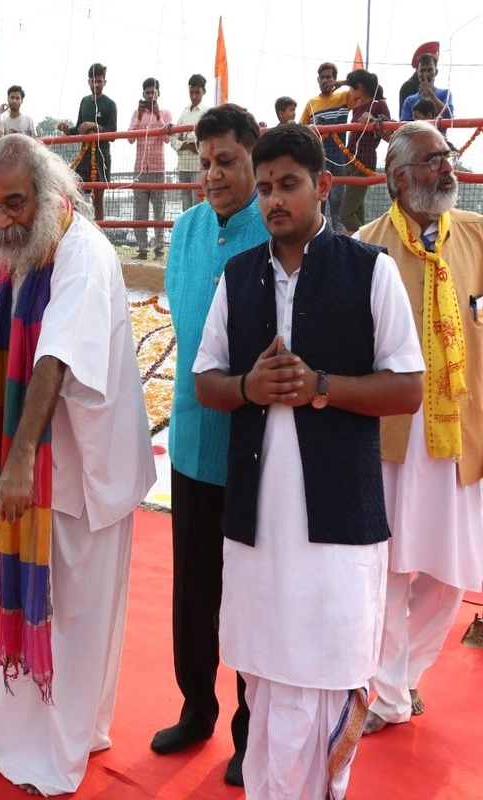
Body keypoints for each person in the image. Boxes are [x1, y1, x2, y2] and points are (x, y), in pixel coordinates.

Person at [192, 123, 424, 799]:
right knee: (264, 681)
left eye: (287, 184)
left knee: (327, 679)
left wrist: (323, 387)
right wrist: (248, 389)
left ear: (323, 186)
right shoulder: (238, 277)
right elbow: (206, 380)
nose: (272, 200)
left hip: (338, 527)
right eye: (264, 187)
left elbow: (408, 388)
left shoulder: (369, 271)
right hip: (259, 530)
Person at [0, 134, 156, 796]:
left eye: (15, 203)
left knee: (75, 617)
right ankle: (16, 728)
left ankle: (56, 753)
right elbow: (0, 335)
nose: (3, 220)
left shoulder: (81, 255)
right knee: (49, 604)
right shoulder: (20, 256)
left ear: (48, 197)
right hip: (54, 468)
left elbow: (53, 360)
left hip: (86, 472)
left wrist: (16, 463)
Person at [357, 121, 483, 735]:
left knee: (448, 573)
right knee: (388, 569)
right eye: (435, 160)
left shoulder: (480, 237)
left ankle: (406, 676)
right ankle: (384, 693)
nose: (448, 167)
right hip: (392, 441)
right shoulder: (366, 245)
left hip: (460, 435)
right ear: (398, 178)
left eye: (448, 156)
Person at [154, 103, 267, 787]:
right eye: (204, 163)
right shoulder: (186, 230)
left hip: (256, 448)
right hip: (194, 441)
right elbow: (184, 322)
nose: (213, 174)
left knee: (250, 596)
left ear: (253, 159)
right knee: (193, 590)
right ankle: (197, 706)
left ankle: (251, 731)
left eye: (226, 161)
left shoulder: (275, 227)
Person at [58, 63, 116, 220]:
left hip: (101, 156)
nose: (96, 84)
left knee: (98, 201)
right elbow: (78, 129)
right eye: (93, 81)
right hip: (84, 155)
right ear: (88, 81)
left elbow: (113, 134)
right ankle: (76, 230)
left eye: (99, 81)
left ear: (105, 82)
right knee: (73, 192)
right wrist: (67, 130)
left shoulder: (110, 104)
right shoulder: (84, 102)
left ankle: (101, 234)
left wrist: (95, 126)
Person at [299, 62, 350, 232]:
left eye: (329, 77)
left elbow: (366, 86)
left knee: (337, 210)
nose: (325, 80)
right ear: (318, 80)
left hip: (338, 162)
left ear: (334, 79)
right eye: (323, 77)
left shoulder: (344, 97)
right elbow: (300, 129)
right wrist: (314, 128)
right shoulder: (312, 103)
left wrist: (341, 83)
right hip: (316, 162)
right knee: (317, 208)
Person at [340, 70, 389, 234]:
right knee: (356, 211)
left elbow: (390, 135)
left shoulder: (378, 104)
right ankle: (363, 249)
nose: (349, 92)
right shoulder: (357, 108)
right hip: (350, 162)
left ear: (359, 87)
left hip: (364, 163)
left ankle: (366, 241)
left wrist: (375, 121)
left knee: (345, 214)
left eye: (351, 88)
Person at [129, 77, 172, 260]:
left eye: (153, 92)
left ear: (158, 94)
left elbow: (167, 139)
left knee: (159, 213)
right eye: (147, 93)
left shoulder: (166, 113)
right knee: (139, 213)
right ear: (143, 95)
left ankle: (160, 250)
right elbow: (130, 138)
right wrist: (139, 117)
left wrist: (157, 116)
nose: (150, 96)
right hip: (140, 169)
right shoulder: (136, 114)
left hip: (157, 168)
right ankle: (142, 250)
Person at [170, 74, 207, 211]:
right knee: (185, 206)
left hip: (198, 166)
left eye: (197, 92)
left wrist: (188, 140)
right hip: (183, 165)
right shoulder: (184, 112)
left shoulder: (206, 112)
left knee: (198, 204)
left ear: (203, 92)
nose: (194, 96)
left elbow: (203, 139)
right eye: (191, 92)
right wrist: (186, 143)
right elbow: (173, 137)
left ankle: (197, 232)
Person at [399, 54, 453, 121]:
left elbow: (449, 116)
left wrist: (430, 94)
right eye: (422, 71)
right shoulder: (409, 100)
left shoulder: (445, 94)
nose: (426, 74)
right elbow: (404, 124)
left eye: (430, 70)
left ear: (436, 72)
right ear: (417, 73)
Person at [397, 42, 439, 111]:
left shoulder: (443, 93)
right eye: (423, 70)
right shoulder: (409, 86)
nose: (427, 74)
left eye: (430, 69)